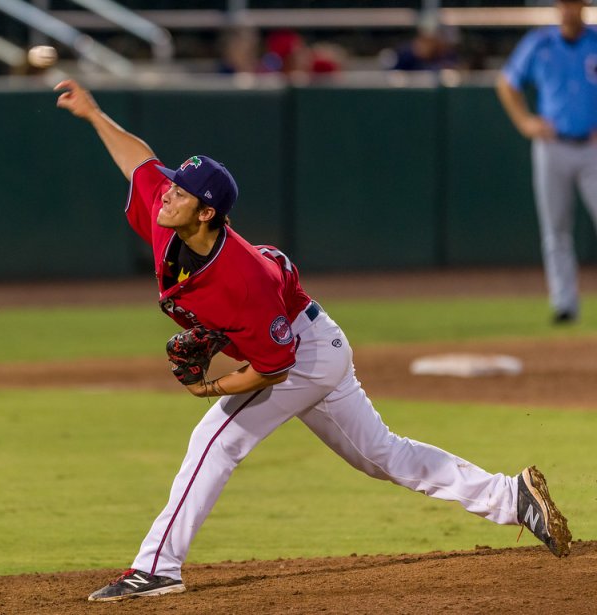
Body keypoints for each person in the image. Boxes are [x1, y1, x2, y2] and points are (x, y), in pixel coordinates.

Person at [54, 79, 572, 603]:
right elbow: (141, 162)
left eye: (181, 193)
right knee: (380, 454)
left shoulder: (242, 278)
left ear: (207, 213)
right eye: (172, 186)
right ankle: (511, 497)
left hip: (300, 354)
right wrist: (94, 113)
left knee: (216, 441)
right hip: (315, 341)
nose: (166, 193)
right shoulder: (172, 219)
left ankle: (157, 568)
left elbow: (274, 368)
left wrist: (208, 390)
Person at [496, 0, 597, 324]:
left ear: (584, 6)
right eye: (564, 3)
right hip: (552, 145)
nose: (569, 9)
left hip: (592, 146)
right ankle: (564, 305)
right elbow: (507, 82)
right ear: (558, 7)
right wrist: (525, 122)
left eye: (575, 3)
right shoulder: (539, 43)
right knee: (556, 230)